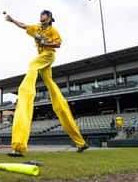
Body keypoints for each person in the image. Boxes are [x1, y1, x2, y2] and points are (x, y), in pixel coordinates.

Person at [5, 10, 88, 156]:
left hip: (48, 55)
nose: (41, 16)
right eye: (41, 14)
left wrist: (45, 42)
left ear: (49, 17)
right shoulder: (36, 29)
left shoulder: (52, 30)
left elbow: (59, 44)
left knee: (32, 67)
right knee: (54, 91)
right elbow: (24, 26)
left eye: (43, 14)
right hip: (44, 61)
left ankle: (19, 146)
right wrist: (12, 20)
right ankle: (81, 142)